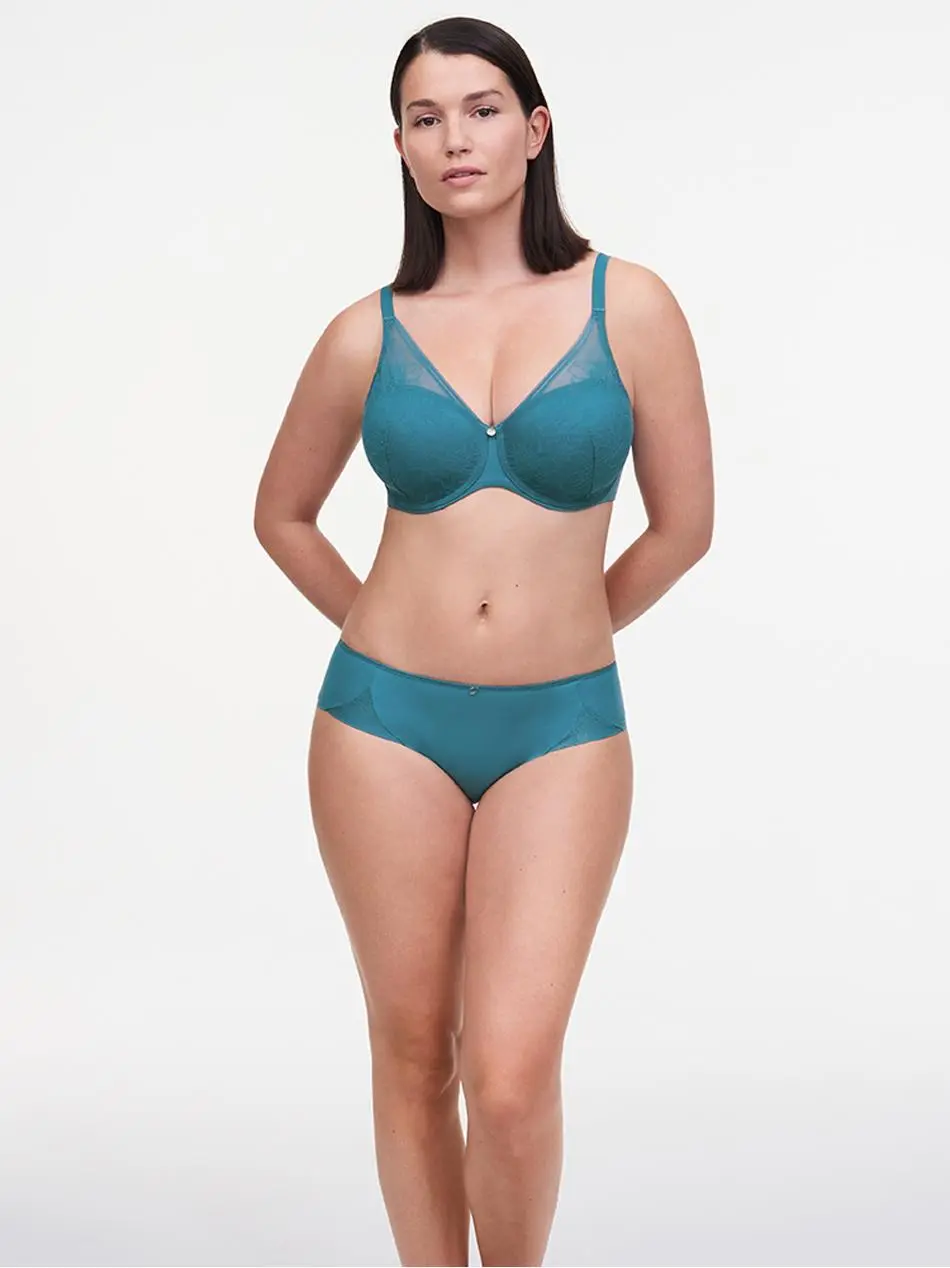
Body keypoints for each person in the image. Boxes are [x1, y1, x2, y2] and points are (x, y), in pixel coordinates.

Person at [253, 15, 713, 1267]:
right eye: (423, 116)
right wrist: (381, 631)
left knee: (508, 1074)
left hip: (560, 726)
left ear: (535, 128)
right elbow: (281, 515)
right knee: (413, 1051)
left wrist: (567, 632)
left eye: (481, 107)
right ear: (400, 148)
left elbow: (684, 527)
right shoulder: (365, 331)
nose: (453, 136)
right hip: (380, 724)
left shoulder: (631, 305)